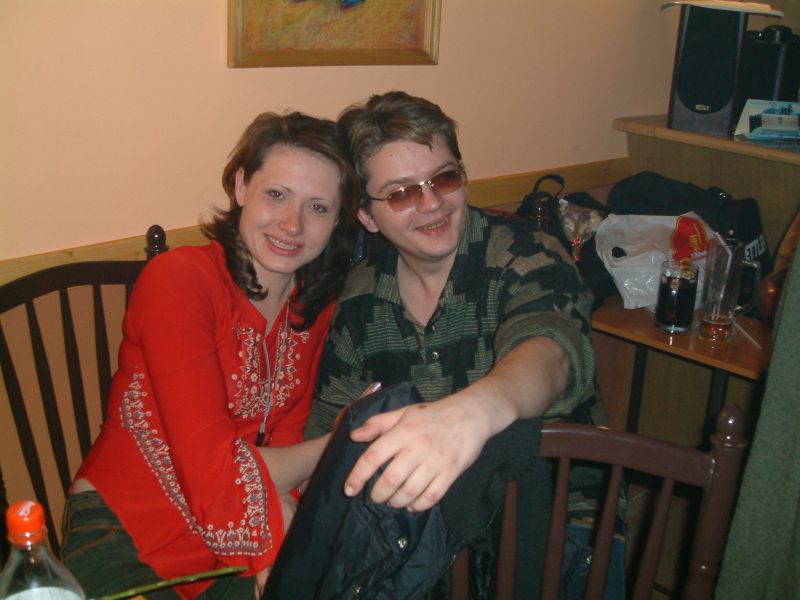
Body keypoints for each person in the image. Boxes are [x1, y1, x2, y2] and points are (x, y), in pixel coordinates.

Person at [304, 91, 618, 597]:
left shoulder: (526, 254)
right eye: (401, 193)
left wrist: (473, 412)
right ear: (367, 217)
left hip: (563, 523)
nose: (432, 203)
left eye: (444, 178)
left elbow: (550, 349)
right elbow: (333, 429)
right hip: (424, 534)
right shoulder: (360, 297)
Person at [60, 111, 361, 599]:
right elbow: (212, 468)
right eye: (276, 194)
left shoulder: (312, 306)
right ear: (241, 186)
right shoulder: (179, 280)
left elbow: (284, 438)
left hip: (230, 536)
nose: (292, 224)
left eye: (318, 207)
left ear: (337, 220)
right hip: (125, 534)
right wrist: (338, 443)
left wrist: (283, 516)